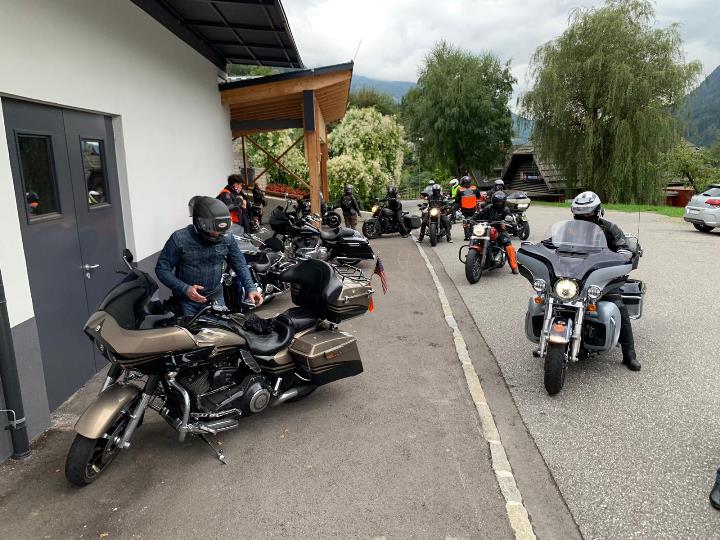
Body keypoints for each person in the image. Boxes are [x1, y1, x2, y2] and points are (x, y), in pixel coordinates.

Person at [156, 196, 263, 316]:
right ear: (199, 223)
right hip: (187, 302)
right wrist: (185, 289)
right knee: (192, 329)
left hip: (216, 297)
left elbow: (240, 264)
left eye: (220, 231)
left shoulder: (227, 237)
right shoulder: (179, 239)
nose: (217, 234)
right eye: (213, 231)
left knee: (221, 328)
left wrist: (250, 288)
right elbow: (162, 269)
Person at [570, 191, 640, 371]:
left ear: (597, 212)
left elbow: (624, 247)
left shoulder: (610, 228)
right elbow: (554, 243)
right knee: (551, 297)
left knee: (618, 304)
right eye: (579, 215)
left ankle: (629, 354)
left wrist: (624, 254)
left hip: (602, 276)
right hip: (574, 274)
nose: (583, 219)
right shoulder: (570, 229)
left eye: (587, 215)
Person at [474, 191, 518, 274]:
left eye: (500, 202)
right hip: (487, 228)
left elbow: (509, 217)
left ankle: (514, 266)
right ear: (493, 201)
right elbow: (479, 215)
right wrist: (470, 219)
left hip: (500, 230)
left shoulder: (505, 209)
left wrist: (506, 223)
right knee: (477, 238)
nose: (499, 203)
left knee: (508, 245)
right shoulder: (488, 207)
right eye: (497, 202)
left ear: (503, 202)